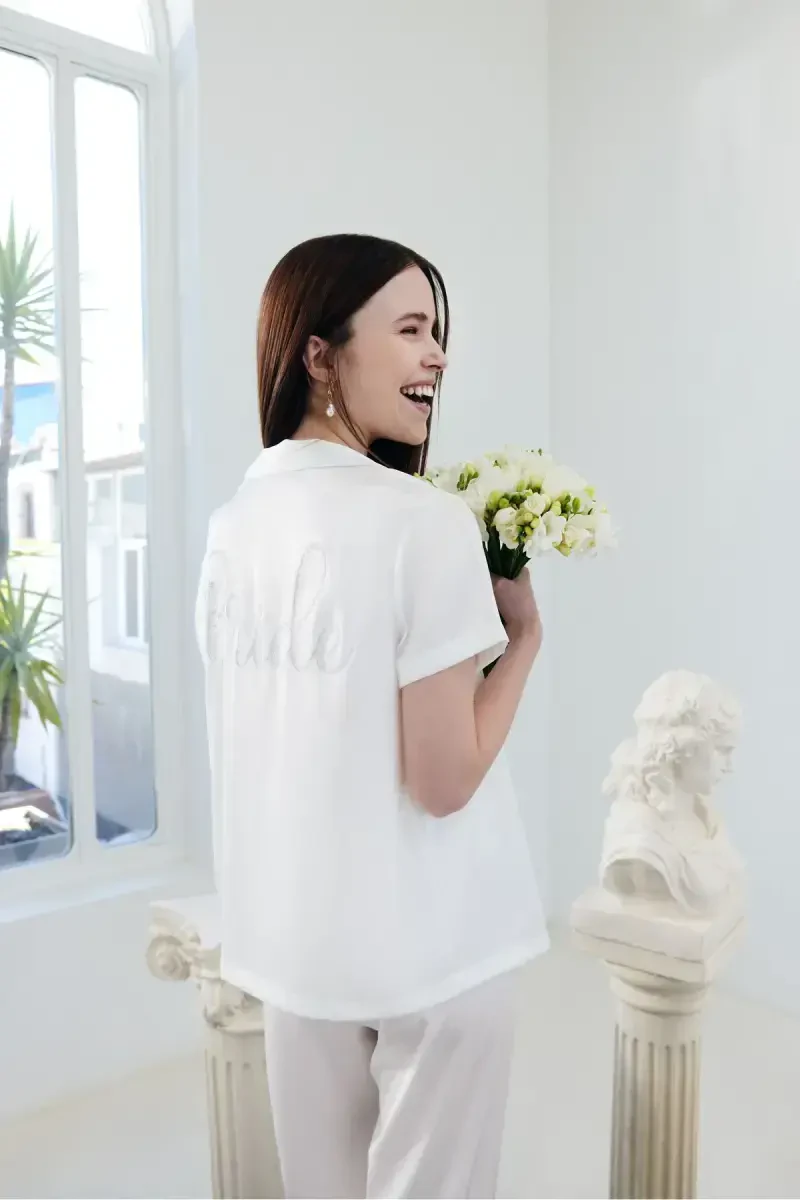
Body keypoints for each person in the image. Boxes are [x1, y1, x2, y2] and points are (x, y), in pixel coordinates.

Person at [195, 233, 548, 1199]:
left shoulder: (230, 529)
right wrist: (522, 640)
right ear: (320, 354)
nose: (438, 354)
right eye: (411, 329)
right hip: (438, 951)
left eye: (437, 331)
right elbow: (444, 781)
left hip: (297, 948)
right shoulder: (421, 522)